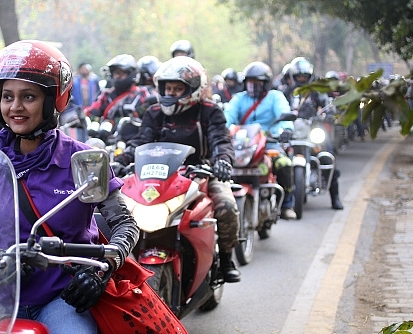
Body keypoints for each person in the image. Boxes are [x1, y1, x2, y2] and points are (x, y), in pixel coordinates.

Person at [0, 40, 139, 333]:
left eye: (28, 97)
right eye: (7, 97)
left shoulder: (83, 160)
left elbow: (126, 225)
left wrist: (102, 271)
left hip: (61, 296)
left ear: (53, 101)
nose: (15, 107)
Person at [113, 56, 241, 283]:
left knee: (227, 207)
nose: (170, 94)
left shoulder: (209, 111)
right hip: (156, 175)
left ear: (193, 89)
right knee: (118, 206)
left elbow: (220, 140)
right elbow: (139, 143)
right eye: (167, 88)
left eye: (177, 89)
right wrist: (120, 161)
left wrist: (222, 161)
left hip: (202, 173)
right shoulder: (154, 112)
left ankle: (226, 259)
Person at [223, 61, 298, 219]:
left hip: (269, 141)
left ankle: (286, 204)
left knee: (284, 164)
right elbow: (227, 116)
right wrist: (222, 128)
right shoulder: (239, 99)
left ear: (266, 83)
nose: (253, 85)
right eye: (250, 82)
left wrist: (285, 130)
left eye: (257, 82)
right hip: (241, 144)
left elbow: (284, 115)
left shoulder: (275, 97)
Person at [283, 57, 343, 210]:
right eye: (299, 77)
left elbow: (327, 105)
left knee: (328, 155)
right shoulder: (285, 92)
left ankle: (335, 197)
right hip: (290, 132)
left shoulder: (316, 92)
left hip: (312, 130)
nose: (302, 79)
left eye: (304, 76)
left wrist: (329, 113)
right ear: (293, 77)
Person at [84, 54, 153, 143]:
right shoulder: (106, 95)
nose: (117, 76)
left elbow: (149, 114)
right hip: (107, 142)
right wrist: (82, 118)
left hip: (134, 141)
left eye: (121, 73)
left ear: (131, 74)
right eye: (115, 73)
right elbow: (92, 112)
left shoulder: (141, 94)